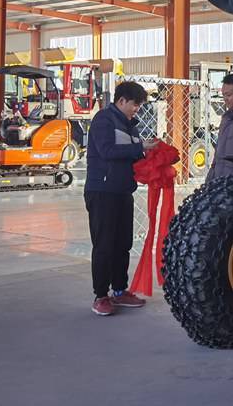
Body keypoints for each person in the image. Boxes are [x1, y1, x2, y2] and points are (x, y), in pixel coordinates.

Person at [84, 81, 157, 316]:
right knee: (104, 245)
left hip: (123, 191)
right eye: (135, 105)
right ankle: (101, 295)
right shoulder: (103, 120)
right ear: (122, 100)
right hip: (102, 191)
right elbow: (107, 152)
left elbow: (134, 155)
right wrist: (140, 149)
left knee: (122, 244)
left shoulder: (130, 126)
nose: (137, 109)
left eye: (139, 105)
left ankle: (119, 290)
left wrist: (153, 155)